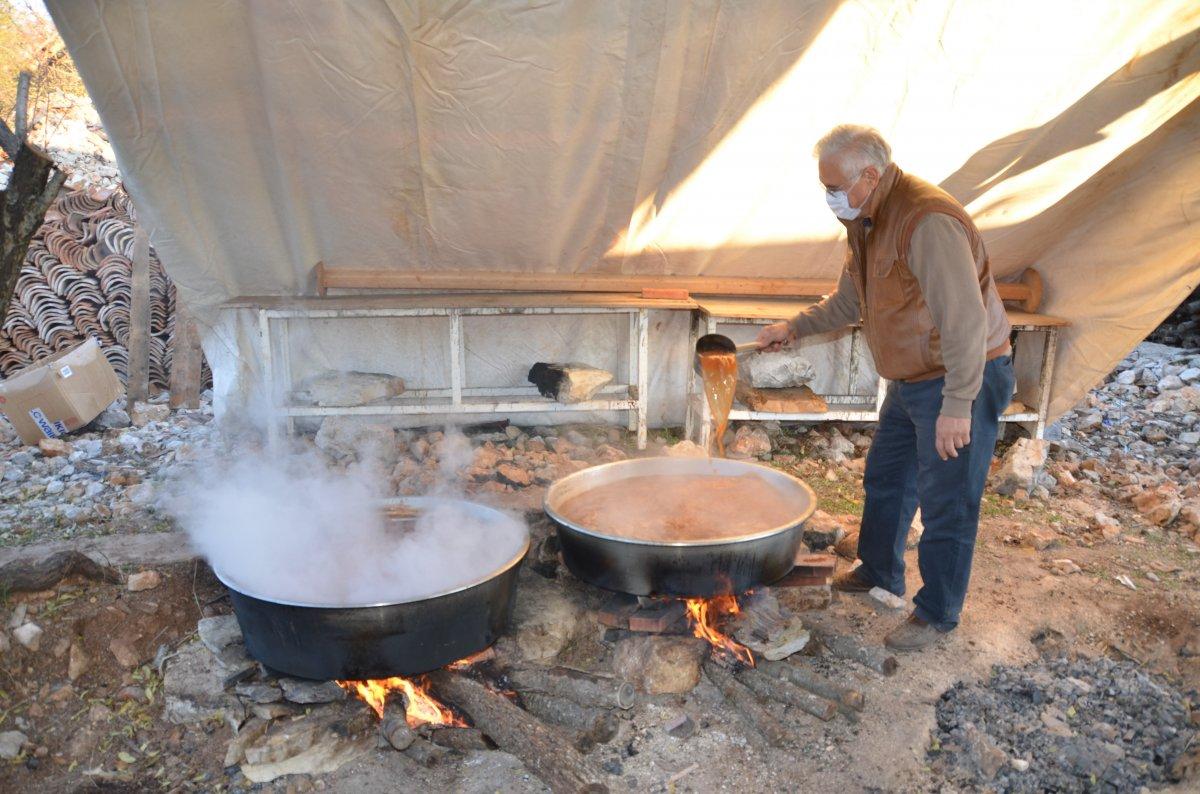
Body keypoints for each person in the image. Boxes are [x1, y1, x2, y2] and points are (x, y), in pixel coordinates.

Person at [756, 124, 1014, 651]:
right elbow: (850, 301)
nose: (828, 198)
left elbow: (964, 320)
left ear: (869, 175)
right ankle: (879, 571)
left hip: (961, 375)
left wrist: (958, 406)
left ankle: (938, 612)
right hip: (911, 377)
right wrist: (792, 328)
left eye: (832, 187)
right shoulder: (868, 219)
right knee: (888, 477)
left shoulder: (927, 221)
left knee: (949, 501)